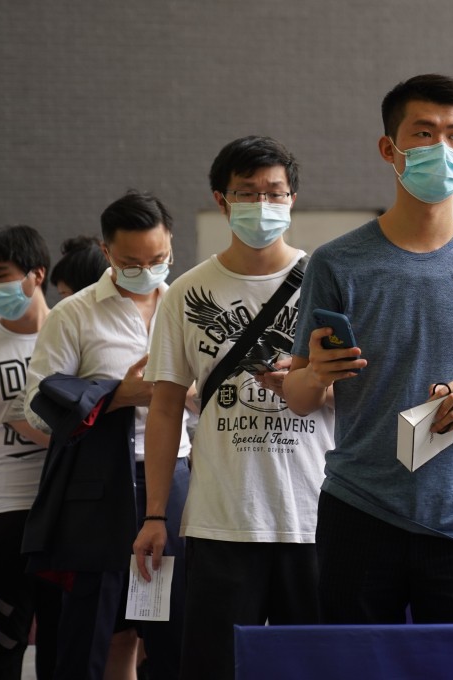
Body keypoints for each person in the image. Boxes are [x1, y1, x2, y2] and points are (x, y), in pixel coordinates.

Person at [283, 74, 453, 625]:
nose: (441, 147)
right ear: (388, 149)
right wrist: (317, 374)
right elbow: (299, 396)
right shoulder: (335, 262)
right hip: (358, 513)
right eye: (423, 132)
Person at [131, 135, 334, 680]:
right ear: (221, 201)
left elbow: (356, 388)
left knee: (315, 666)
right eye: (247, 194)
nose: (263, 206)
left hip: (314, 518)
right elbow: (166, 406)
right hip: (222, 521)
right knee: (214, 667)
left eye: (275, 193)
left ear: (293, 198)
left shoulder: (328, 279)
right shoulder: (185, 293)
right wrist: (155, 514)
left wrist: (311, 380)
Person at [23, 191, 190, 680]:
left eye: (158, 259)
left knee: (167, 618)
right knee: (92, 620)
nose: (147, 269)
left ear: (172, 247)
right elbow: (39, 408)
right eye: (131, 262)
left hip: (176, 475)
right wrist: (121, 394)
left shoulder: (184, 304)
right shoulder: (74, 314)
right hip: (100, 484)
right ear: (106, 251)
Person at [0, 225, 60, 679]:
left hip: (67, 504)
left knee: (63, 633)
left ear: (36, 274)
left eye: (0, 274)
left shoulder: (71, 333)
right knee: (5, 632)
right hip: (4, 504)